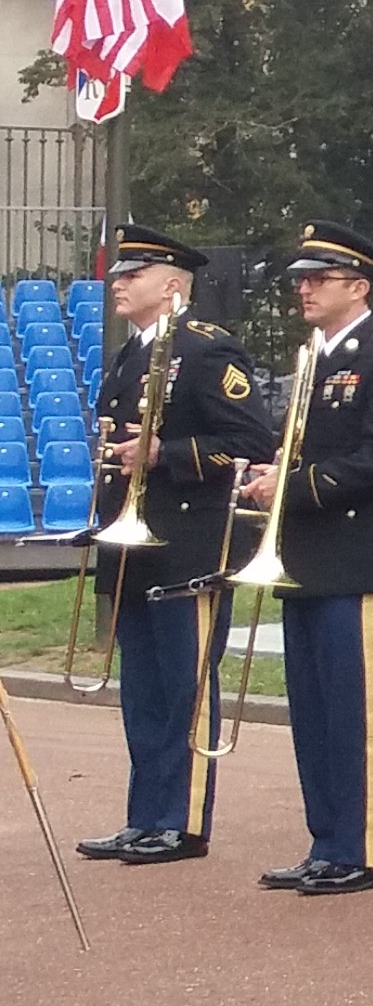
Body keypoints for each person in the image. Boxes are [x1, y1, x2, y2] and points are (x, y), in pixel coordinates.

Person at [71, 226, 277, 868]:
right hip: (134, 545)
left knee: (185, 687)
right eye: (119, 274)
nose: (119, 283)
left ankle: (181, 821)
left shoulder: (206, 350)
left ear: (171, 286)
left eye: (133, 274)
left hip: (188, 544)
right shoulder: (131, 354)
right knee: (143, 692)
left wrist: (167, 452)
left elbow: (252, 440)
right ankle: (145, 815)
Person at [244, 222, 373, 898]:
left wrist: (291, 487)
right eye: (302, 277)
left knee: (355, 712)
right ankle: (328, 839)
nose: (304, 286)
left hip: (358, 557)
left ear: (358, 285)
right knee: (315, 711)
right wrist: (271, 473)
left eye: (317, 277)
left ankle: (365, 847)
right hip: (307, 557)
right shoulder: (312, 357)